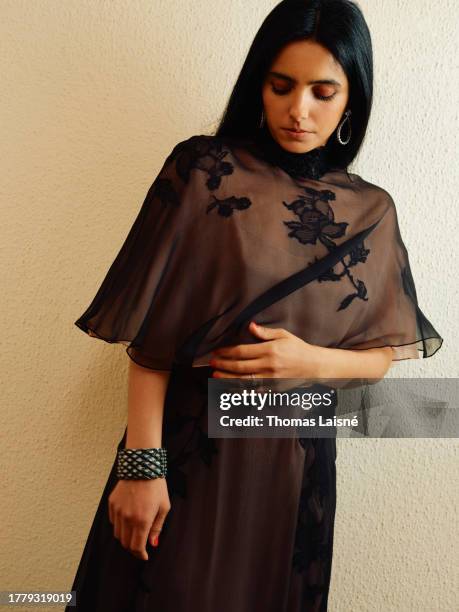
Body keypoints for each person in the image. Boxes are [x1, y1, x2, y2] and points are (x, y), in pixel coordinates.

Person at [66, 1, 443, 611]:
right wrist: (142, 466)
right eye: (281, 86)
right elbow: (153, 341)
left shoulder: (371, 210)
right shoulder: (205, 172)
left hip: (296, 467)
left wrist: (310, 362)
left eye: (324, 92)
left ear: (353, 100)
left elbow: (379, 358)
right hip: (189, 453)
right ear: (257, 86)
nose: (300, 110)